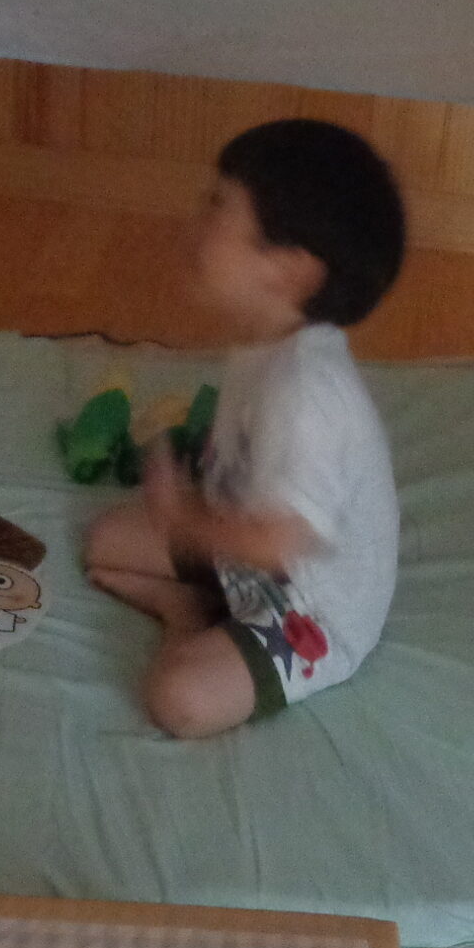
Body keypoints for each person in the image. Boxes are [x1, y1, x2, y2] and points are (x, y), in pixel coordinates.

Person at [85, 120, 406, 738]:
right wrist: (186, 497)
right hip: (241, 551)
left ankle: (188, 619)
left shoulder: (305, 395)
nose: (194, 222)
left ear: (287, 270)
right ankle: (206, 603)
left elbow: (276, 544)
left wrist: (182, 520)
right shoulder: (268, 341)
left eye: (217, 206)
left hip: (307, 606)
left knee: (180, 698)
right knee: (105, 538)